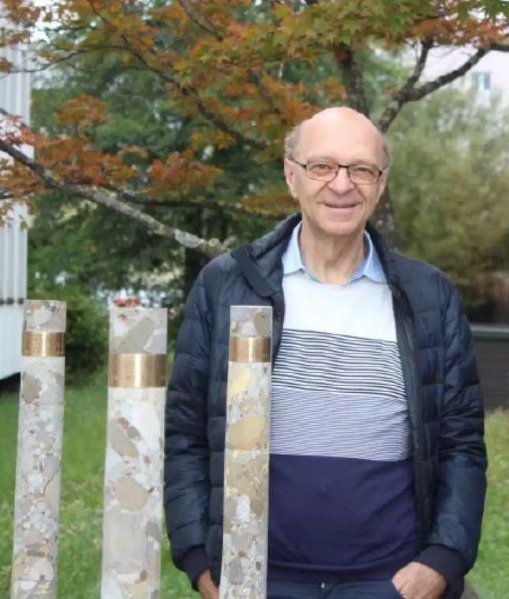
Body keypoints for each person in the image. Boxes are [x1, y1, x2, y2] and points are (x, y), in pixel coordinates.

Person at [164, 106, 487, 599]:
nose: (342, 184)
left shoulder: (427, 295)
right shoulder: (229, 284)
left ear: (380, 184)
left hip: (389, 582)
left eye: (361, 169)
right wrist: (200, 561)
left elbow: (462, 442)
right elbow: (186, 430)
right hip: (257, 581)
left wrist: (440, 562)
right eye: (323, 167)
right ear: (291, 175)